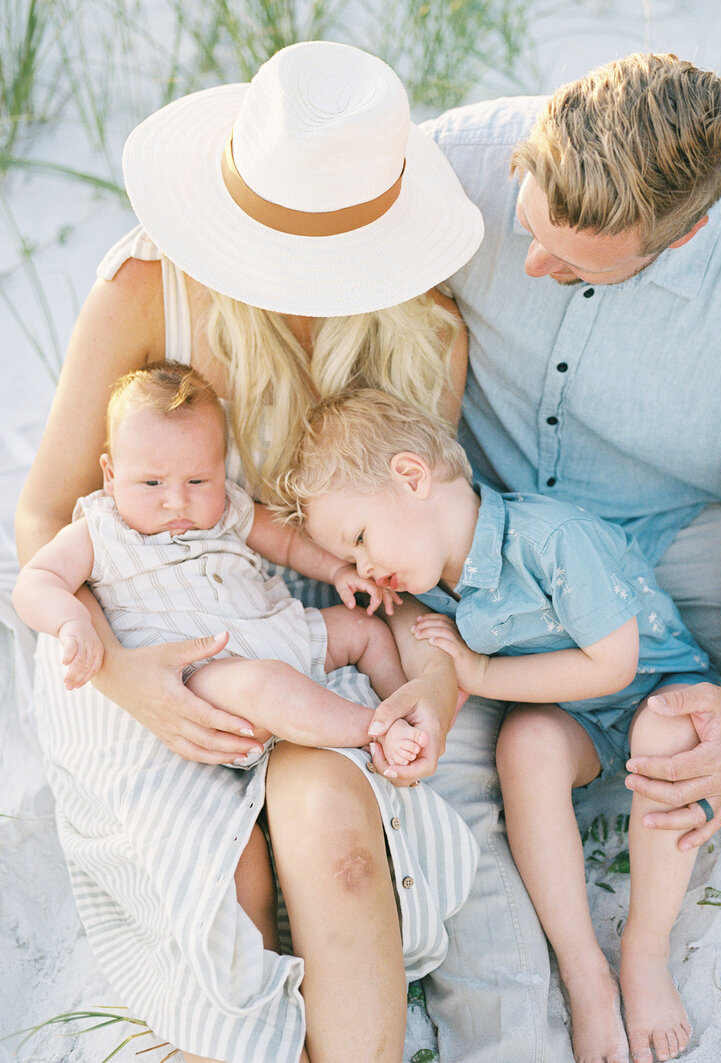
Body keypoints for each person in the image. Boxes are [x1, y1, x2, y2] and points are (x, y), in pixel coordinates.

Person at [15, 41, 485, 1063]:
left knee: (341, 855)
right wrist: (126, 673)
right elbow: (42, 518)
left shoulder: (424, 335)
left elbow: (398, 581)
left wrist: (435, 680)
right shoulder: (149, 287)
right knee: (218, 882)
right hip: (141, 632)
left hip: (304, 642)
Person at [372, 50, 721, 1063]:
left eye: (572, 263)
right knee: (449, 775)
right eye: (529, 233)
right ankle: (547, 998)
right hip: (480, 550)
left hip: (665, 560)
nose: (532, 269)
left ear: (682, 234)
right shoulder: (451, 167)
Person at [280, 387, 720, 1063]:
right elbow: (408, 629)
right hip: (580, 720)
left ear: (411, 476)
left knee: (666, 730)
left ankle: (644, 951)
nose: (365, 567)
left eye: (361, 539)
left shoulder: (552, 540)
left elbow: (614, 663)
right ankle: (584, 971)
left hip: (657, 684)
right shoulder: (430, 575)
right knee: (524, 743)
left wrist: (481, 676)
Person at [13, 363, 426, 767]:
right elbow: (35, 581)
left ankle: (403, 706)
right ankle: (376, 729)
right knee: (262, 685)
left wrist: (338, 571)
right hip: (206, 672)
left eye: (197, 481)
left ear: (220, 468)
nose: (177, 500)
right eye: (152, 483)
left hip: (280, 630)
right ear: (111, 474)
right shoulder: (99, 529)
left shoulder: (228, 507)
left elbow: (286, 542)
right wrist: (72, 621)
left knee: (365, 630)